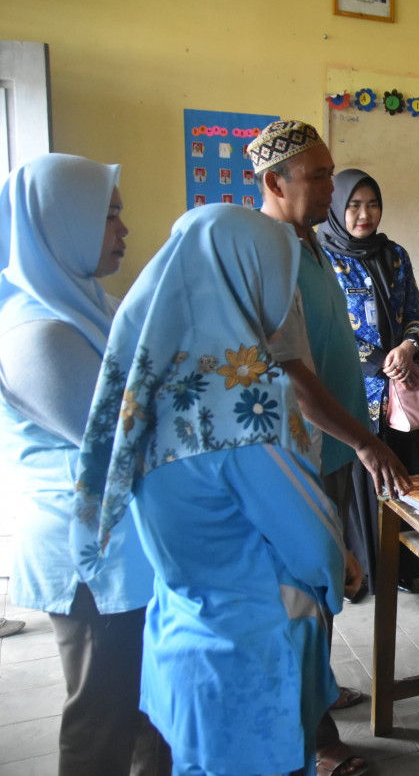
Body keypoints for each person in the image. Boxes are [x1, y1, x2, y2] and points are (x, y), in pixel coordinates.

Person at [73, 205, 350, 776]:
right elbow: (311, 544)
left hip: (182, 633)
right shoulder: (239, 405)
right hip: (251, 654)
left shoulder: (154, 382)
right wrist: (340, 572)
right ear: (246, 277)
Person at [0, 153, 170, 776]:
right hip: (91, 560)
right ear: (60, 221)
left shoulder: (87, 303)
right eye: (108, 215)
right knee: (102, 718)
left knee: (154, 707)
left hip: (129, 541)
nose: (123, 229)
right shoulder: (36, 335)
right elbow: (124, 441)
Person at [250, 120, 409, 776]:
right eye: (316, 176)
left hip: (333, 450)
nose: (329, 187)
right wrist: (366, 440)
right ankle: (318, 739)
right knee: (301, 596)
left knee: (322, 586)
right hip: (303, 453)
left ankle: (315, 691)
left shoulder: (311, 245)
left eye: (327, 173)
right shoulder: (268, 252)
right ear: (273, 183)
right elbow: (291, 374)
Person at [317, 168, 419, 588]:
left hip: (401, 394)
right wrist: (382, 358)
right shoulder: (321, 255)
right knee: (357, 484)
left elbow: (414, 315)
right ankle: (358, 575)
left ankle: (401, 569)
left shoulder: (395, 255)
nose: (365, 214)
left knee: (402, 477)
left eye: (373, 204)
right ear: (336, 208)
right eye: (354, 205)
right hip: (350, 393)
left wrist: (408, 348)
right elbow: (327, 327)